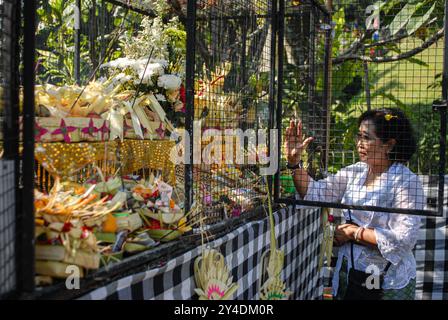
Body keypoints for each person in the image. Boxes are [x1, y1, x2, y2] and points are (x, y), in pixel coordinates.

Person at [284, 108, 425, 300]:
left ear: (389, 145)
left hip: (387, 282)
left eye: (366, 137)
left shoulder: (405, 182)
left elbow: (403, 239)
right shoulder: (356, 172)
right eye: (358, 136)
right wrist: (294, 163)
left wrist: (353, 233)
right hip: (349, 274)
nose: (359, 143)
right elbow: (314, 193)